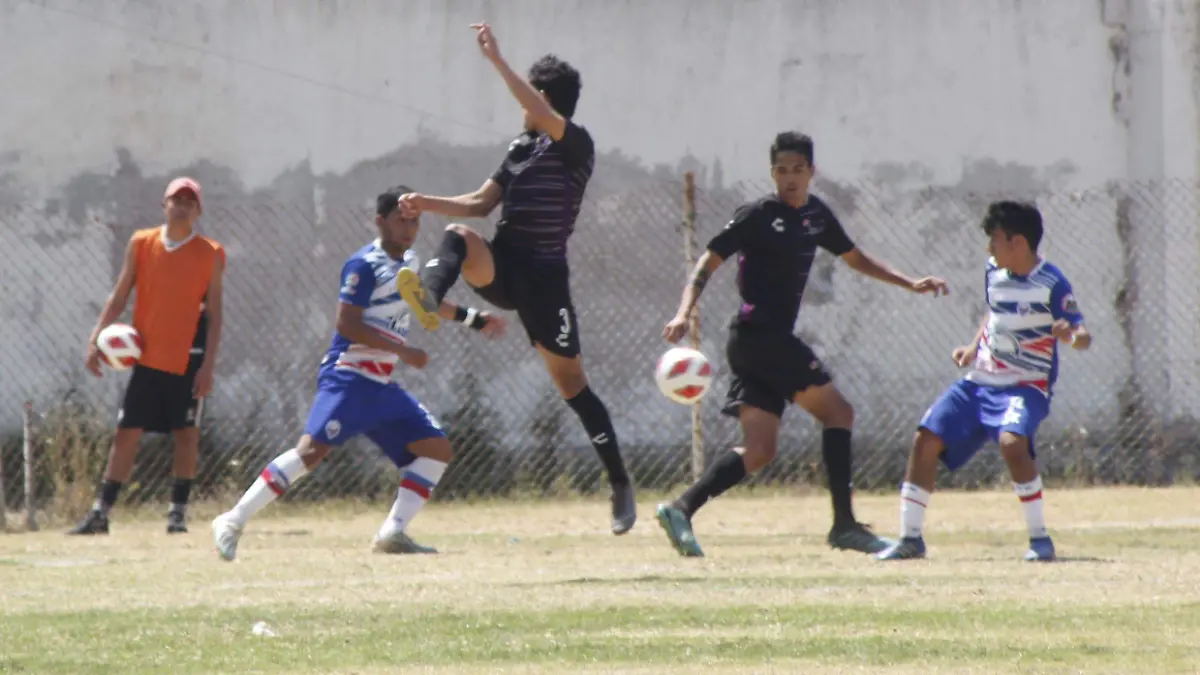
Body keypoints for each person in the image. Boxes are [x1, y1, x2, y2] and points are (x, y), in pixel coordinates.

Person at [656, 131, 950, 558]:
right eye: (781, 170)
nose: (789, 178)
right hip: (762, 338)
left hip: (757, 344)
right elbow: (709, 259)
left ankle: (681, 508)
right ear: (772, 173)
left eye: (797, 169)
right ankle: (844, 526)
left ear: (812, 171)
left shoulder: (816, 216)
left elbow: (854, 257)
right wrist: (684, 312)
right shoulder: (758, 214)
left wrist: (909, 282)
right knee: (839, 413)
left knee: (759, 449)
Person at [392, 23, 636, 535]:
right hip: (503, 264)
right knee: (459, 235)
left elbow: (541, 112)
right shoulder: (521, 147)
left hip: (545, 281)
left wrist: (497, 62)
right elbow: (482, 203)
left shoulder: (576, 145)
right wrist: (425, 202)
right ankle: (429, 299)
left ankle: (619, 483)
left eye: (530, 94)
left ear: (543, 98)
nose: (521, 105)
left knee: (573, 386)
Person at [210, 185, 505, 562]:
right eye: (401, 220)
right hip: (349, 376)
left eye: (414, 221)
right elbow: (347, 325)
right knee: (310, 452)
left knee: (435, 448)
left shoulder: (410, 262)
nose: (409, 228)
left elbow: (425, 301)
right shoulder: (363, 265)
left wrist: (475, 319)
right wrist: (404, 351)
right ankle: (232, 520)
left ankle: (392, 533)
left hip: (380, 383)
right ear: (380, 221)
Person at [876, 201, 1091, 563]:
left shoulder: (1052, 282)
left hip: (1025, 386)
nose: (989, 247)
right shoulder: (994, 270)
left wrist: (1069, 335)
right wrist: (973, 347)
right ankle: (910, 538)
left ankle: (1040, 539)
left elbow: (1083, 335)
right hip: (979, 382)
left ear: (1017, 242)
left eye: (994, 239)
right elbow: (994, 312)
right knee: (925, 438)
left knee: (1012, 442)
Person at [69, 177, 225, 536]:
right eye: (176, 199)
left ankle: (177, 514)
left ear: (198, 210)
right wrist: (96, 339)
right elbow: (121, 293)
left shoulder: (210, 253)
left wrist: (208, 366)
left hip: (188, 355)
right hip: (148, 355)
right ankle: (101, 513)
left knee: (186, 433)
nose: (182, 206)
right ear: (163, 205)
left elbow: (216, 314)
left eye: (189, 201)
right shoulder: (142, 243)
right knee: (126, 432)